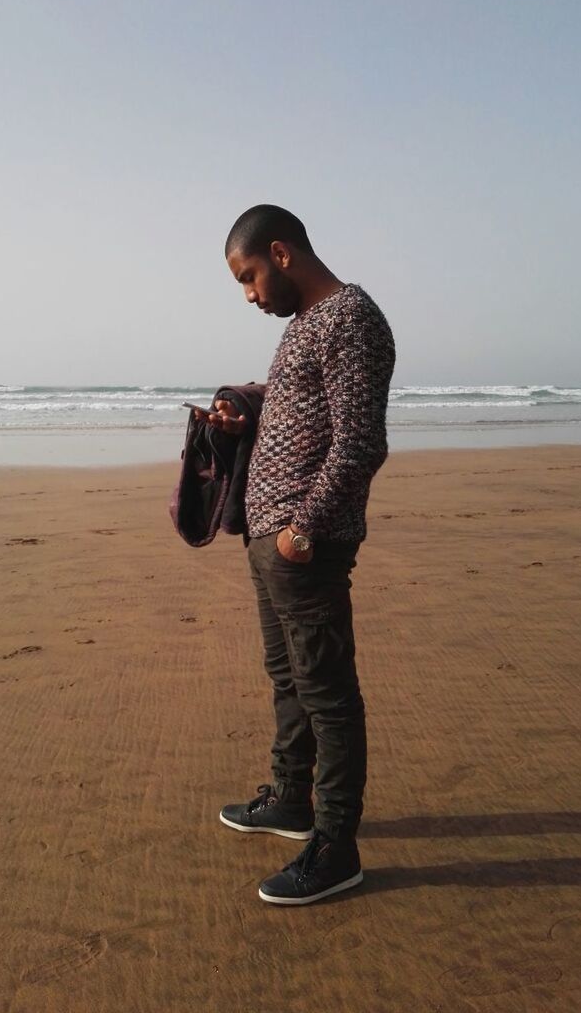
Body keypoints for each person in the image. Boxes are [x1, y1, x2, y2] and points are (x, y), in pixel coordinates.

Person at [196, 204, 395, 905]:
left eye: (249, 277)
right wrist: (243, 418)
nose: (250, 296)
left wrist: (301, 529)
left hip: (304, 546)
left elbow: (360, 441)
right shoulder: (306, 328)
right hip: (271, 542)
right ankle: (291, 798)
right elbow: (303, 414)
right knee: (288, 677)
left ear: (280, 253)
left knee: (327, 692)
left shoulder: (350, 318)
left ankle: (336, 848)